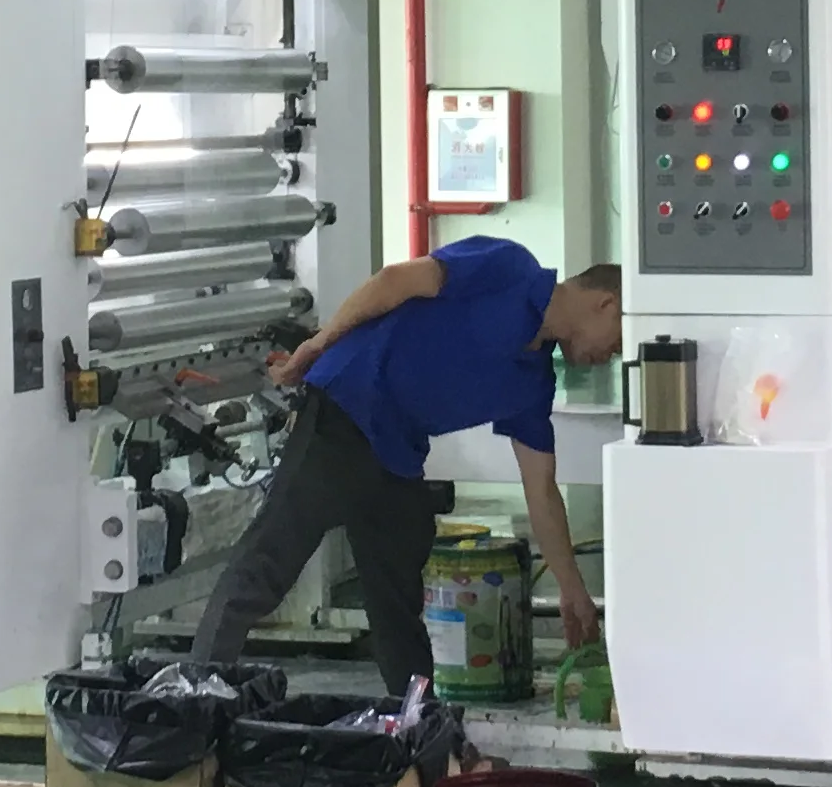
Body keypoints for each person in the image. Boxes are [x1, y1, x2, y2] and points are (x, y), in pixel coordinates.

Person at [188, 238, 621, 691]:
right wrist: (316, 345)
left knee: (398, 604)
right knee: (268, 564)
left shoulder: (533, 382)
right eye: (617, 342)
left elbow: (541, 489)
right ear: (606, 303)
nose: (609, 356)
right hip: (345, 408)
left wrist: (573, 591)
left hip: (398, 453)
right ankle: (196, 693)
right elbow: (395, 281)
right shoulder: (510, 268)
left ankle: (417, 720)